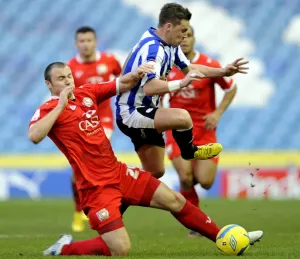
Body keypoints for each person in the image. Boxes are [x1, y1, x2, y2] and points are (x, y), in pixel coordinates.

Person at [28, 62, 262, 256]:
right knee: (120, 249)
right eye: (61, 79)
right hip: (95, 187)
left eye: (69, 76)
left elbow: (122, 83)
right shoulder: (48, 109)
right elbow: (35, 136)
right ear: (49, 84)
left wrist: (136, 73)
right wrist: (60, 104)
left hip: (118, 173)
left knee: (175, 200)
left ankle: (224, 237)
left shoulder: (87, 93)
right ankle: (65, 249)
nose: (69, 81)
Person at [116, 3, 248, 180]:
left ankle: (111, 200)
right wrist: (181, 83)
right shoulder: (154, 50)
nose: (185, 35)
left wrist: (222, 71)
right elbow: (150, 88)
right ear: (169, 27)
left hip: (145, 112)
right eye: (183, 30)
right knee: (182, 118)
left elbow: (190, 68)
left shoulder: (169, 45)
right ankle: (189, 151)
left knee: (155, 172)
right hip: (131, 112)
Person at [164, 25, 237, 238]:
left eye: (189, 36)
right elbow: (156, 94)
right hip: (177, 128)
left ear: (195, 39)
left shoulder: (209, 64)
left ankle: (186, 196)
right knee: (185, 177)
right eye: (181, 36)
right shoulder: (167, 67)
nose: (185, 40)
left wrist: (218, 113)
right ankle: (195, 225)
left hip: (205, 129)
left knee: (204, 181)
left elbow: (231, 88)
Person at [68, 26, 122, 232]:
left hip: (104, 121)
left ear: (96, 42)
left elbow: (122, 79)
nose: (85, 44)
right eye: (81, 41)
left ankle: (106, 208)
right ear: (76, 44)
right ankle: (79, 211)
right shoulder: (70, 68)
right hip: (80, 125)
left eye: (89, 40)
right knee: (78, 173)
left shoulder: (109, 60)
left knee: (98, 163)